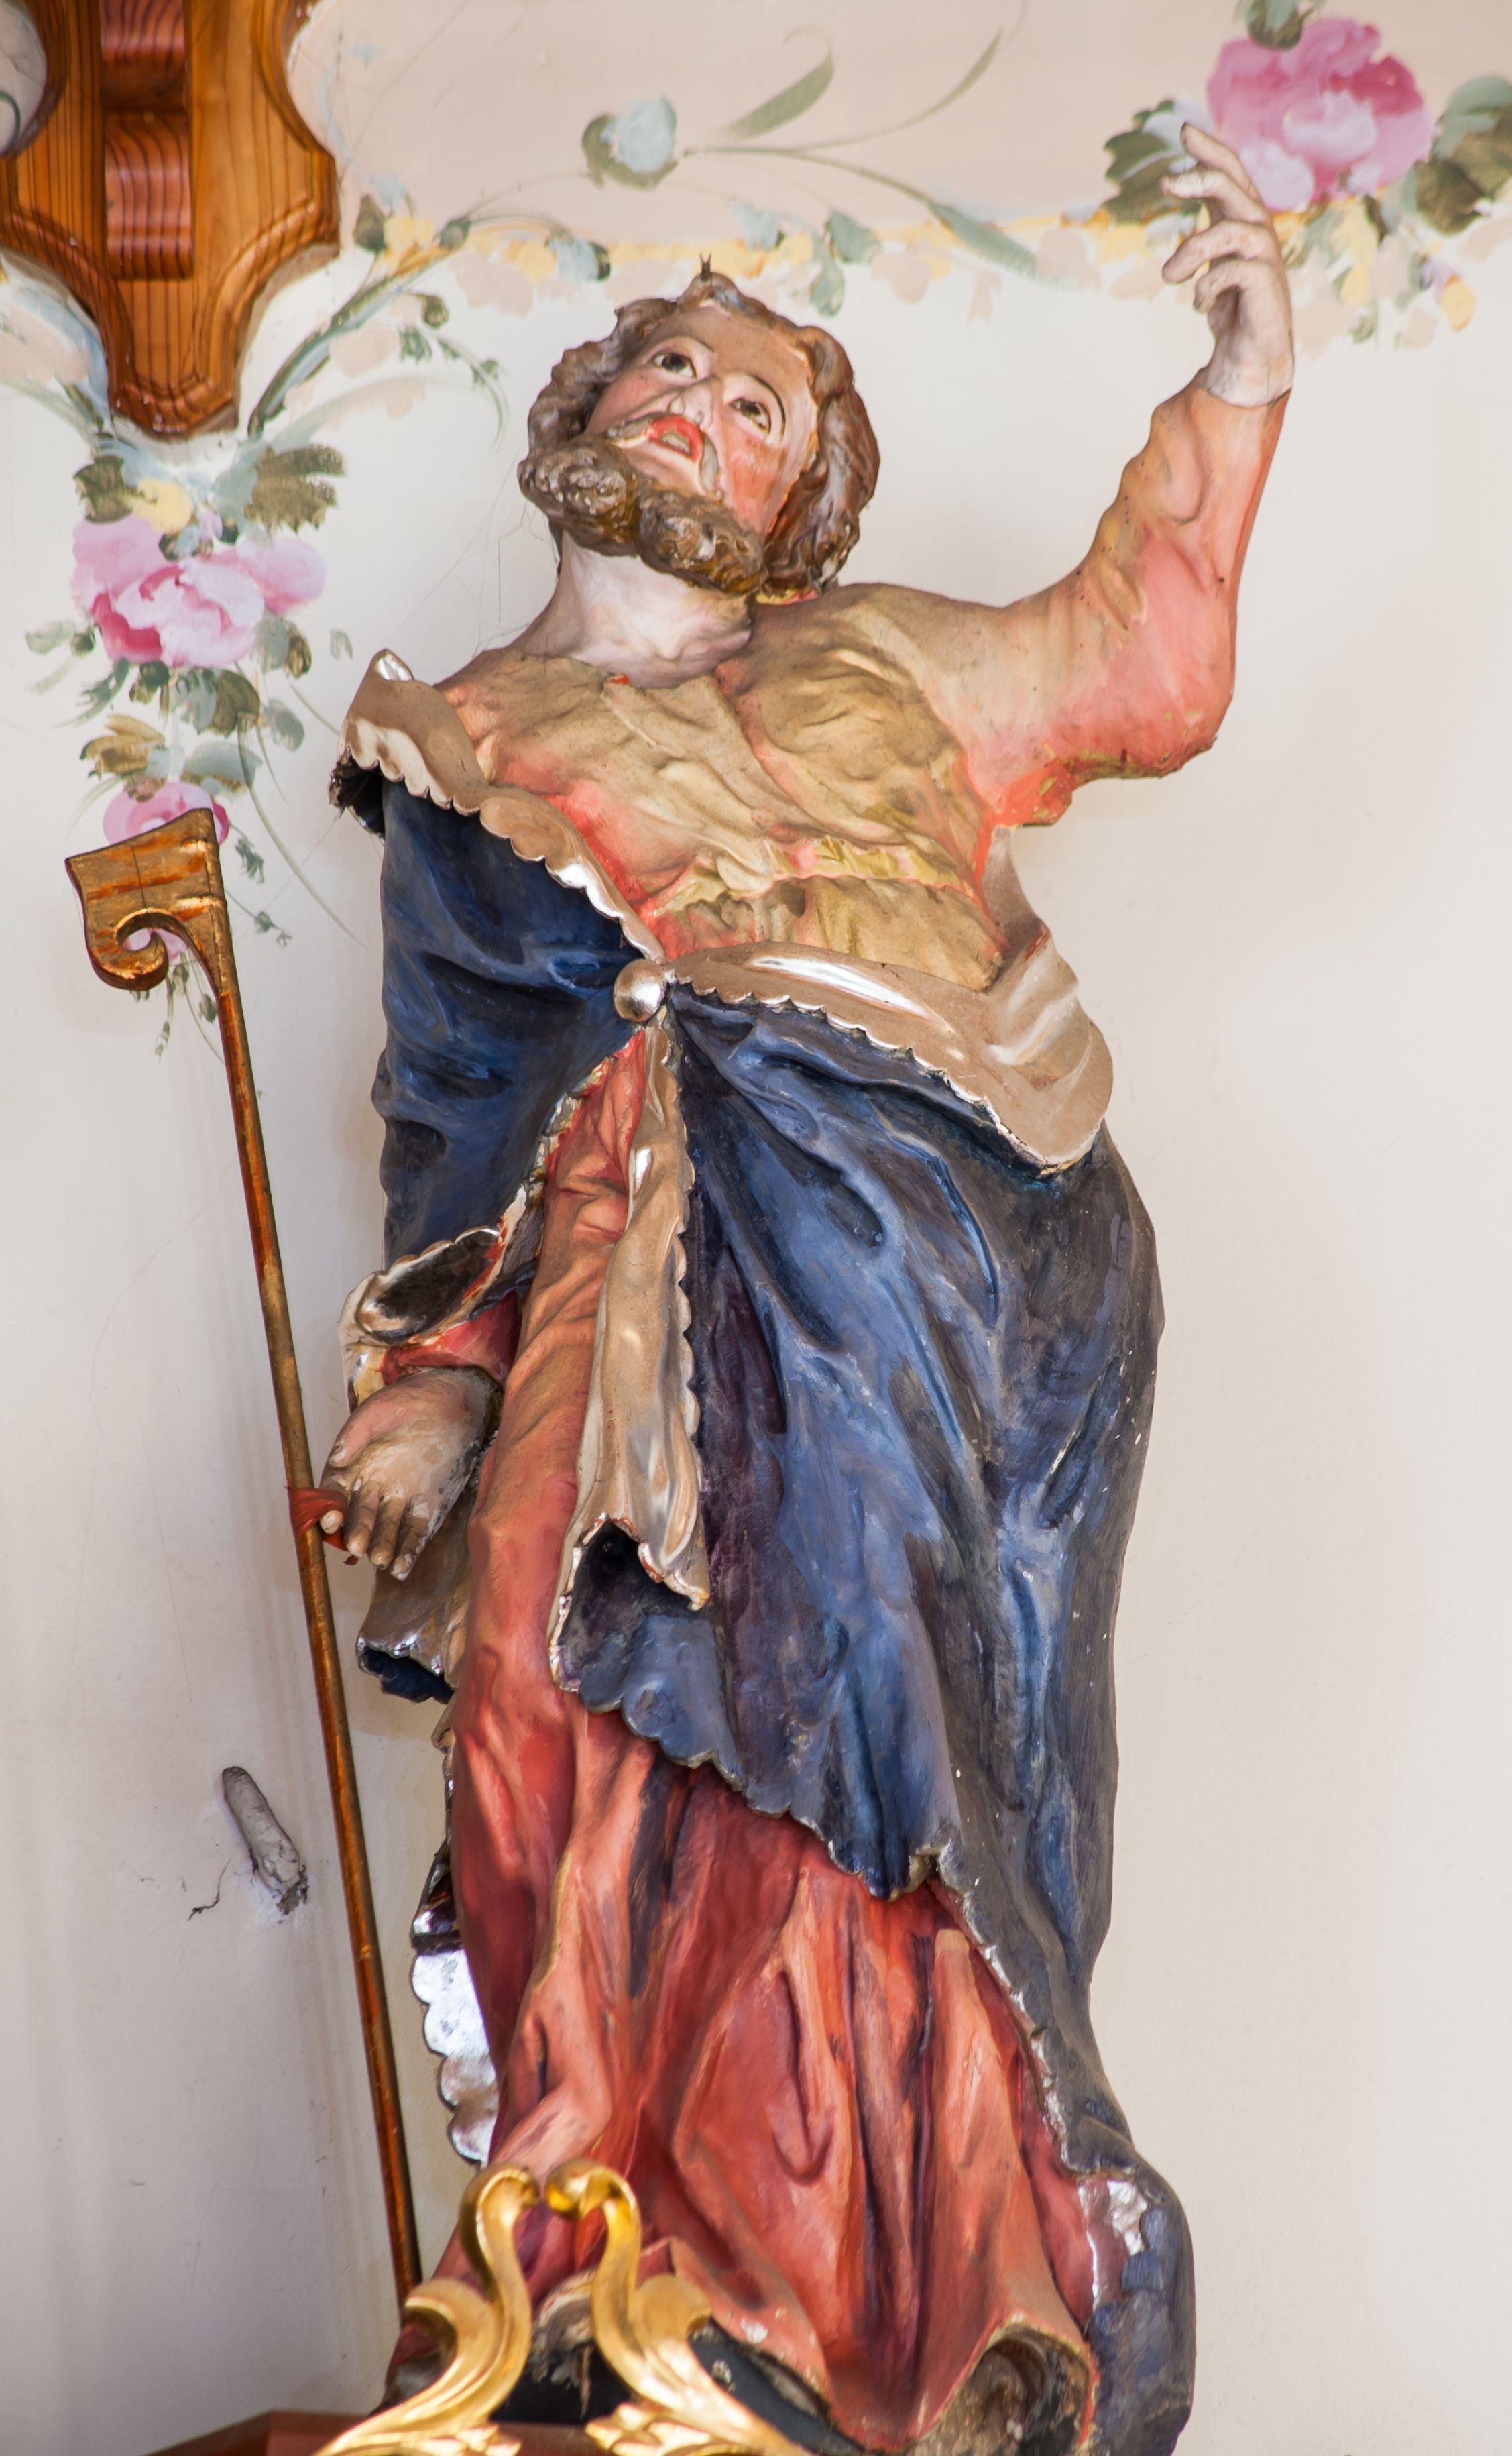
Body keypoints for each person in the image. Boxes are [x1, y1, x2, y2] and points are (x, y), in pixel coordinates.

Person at [321, 127, 1291, 2456]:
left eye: (758, 405)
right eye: (669, 366)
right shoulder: (467, 740)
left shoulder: (889, 662)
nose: (698, 407)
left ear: (800, 508)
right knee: (560, 1687)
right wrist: (432, 1389)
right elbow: (461, 1097)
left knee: (889, 1718)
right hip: (636, 1231)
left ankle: (906, 2293)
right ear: (583, 412)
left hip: (954, 1250)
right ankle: (613, 2254)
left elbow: (1142, 662)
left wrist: (1241, 385)